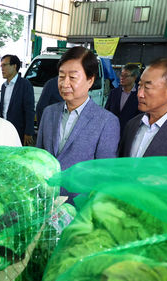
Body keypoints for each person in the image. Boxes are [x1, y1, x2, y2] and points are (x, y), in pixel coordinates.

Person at [36, 46, 120, 183]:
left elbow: (104, 174)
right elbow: (38, 158)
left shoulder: (106, 122)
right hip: (46, 198)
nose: (65, 83)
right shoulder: (49, 113)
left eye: (73, 77)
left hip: (81, 201)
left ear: (90, 80)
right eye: (61, 76)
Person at [0, 54, 35, 146]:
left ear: (14, 66)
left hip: (19, 130)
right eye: (1, 66)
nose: (2, 68)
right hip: (4, 129)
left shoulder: (25, 84)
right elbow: (2, 109)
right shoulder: (4, 86)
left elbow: (29, 110)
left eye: (4, 65)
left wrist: (28, 132)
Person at [104, 63, 141, 139]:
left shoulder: (140, 95)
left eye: (126, 76)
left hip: (130, 135)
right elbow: (106, 112)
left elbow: (140, 117)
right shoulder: (114, 93)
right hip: (111, 133)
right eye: (121, 75)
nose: (122, 78)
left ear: (134, 77)